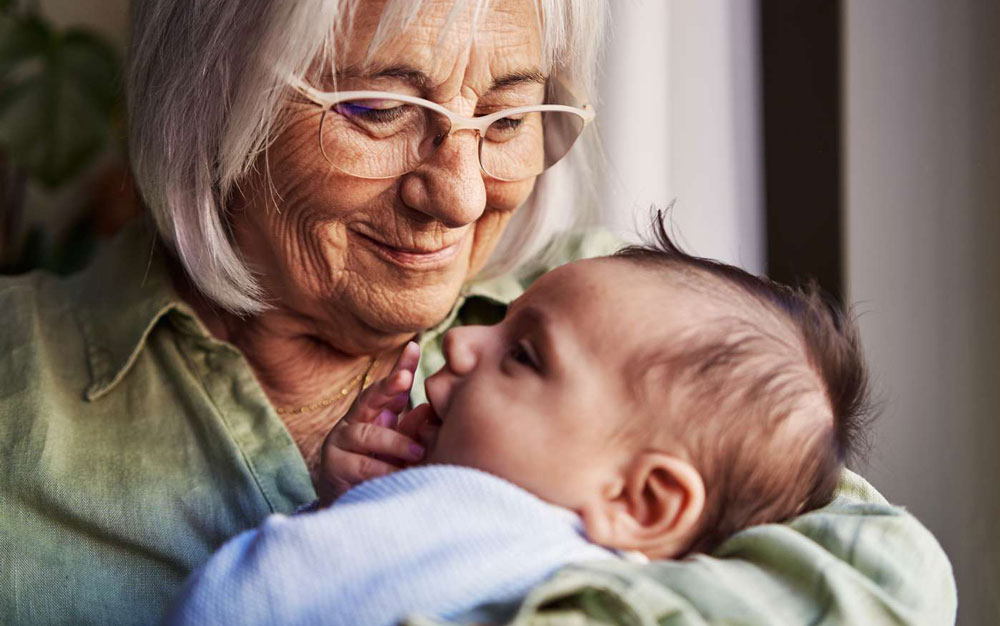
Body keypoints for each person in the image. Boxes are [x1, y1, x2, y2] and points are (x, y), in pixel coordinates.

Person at [0, 0, 955, 625]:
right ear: (210, 90)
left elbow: (889, 584)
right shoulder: (20, 389)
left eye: (507, 116)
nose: (458, 197)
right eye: (377, 107)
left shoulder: (625, 320)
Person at [165, 222, 872, 626]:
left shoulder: (514, 552)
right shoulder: (508, 535)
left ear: (641, 501)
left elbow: (253, 600)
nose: (464, 342)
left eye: (524, 355)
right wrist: (353, 503)